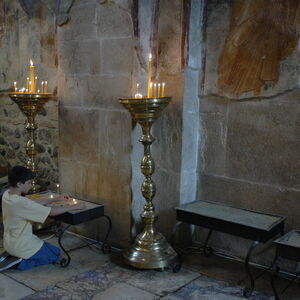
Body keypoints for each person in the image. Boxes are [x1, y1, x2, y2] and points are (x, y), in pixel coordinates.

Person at [0, 166, 85, 271]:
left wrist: (57, 198)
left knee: (54, 250)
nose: (31, 186)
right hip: (22, 245)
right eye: (29, 183)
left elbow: (30, 203)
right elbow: (51, 211)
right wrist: (75, 206)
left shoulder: (7, 195)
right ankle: (18, 263)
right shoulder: (20, 202)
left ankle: (11, 255)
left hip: (10, 243)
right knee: (54, 255)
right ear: (19, 184)